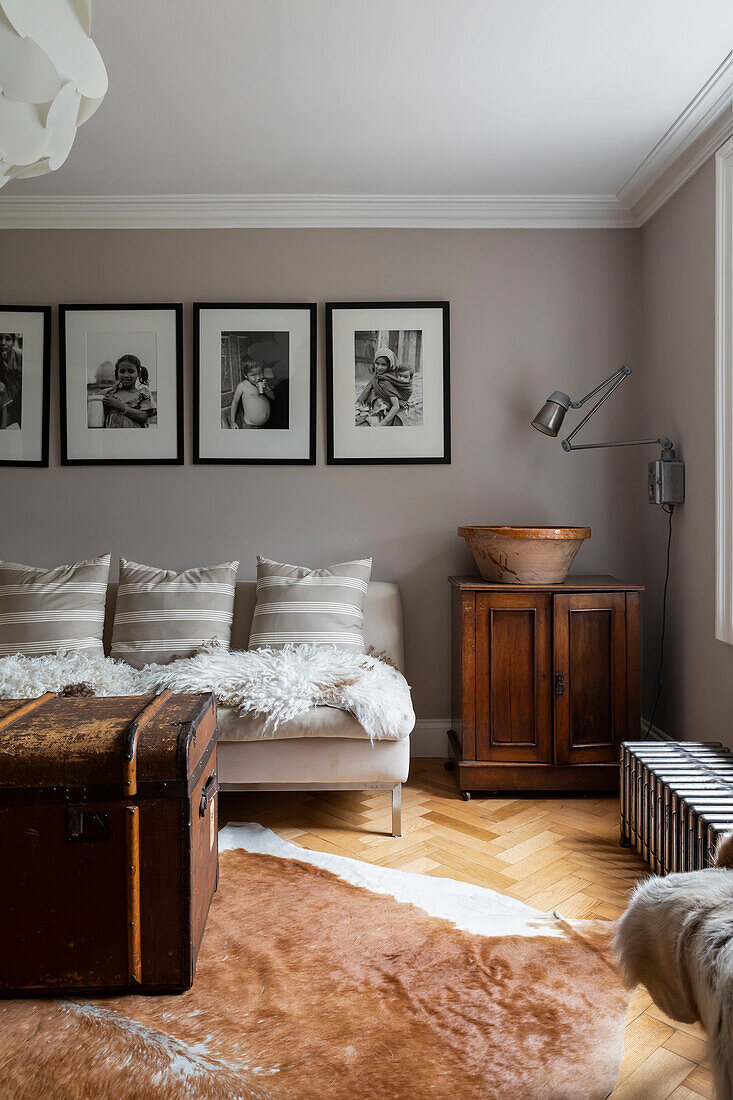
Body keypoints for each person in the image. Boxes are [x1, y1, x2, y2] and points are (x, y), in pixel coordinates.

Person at [90, 354, 156, 428]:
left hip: (134, 437)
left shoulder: (142, 393)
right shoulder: (110, 393)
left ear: (138, 374)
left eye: (131, 371)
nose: (126, 375)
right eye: (122, 371)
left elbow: (143, 417)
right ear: (117, 373)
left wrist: (118, 405)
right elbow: (92, 401)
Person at [355, 346, 414, 426]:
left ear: (390, 365)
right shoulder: (378, 376)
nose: (379, 368)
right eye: (377, 363)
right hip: (376, 410)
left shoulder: (386, 382)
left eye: (383, 364)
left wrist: (384, 422)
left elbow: (395, 406)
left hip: (385, 415)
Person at [229, 358, 274, 428]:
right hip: (250, 426)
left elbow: (272, 397)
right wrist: (232, 421)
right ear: (245, 375)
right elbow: (235, 403)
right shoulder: (242, 386)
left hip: (266, 425)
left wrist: (266, 389)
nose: (258, 377)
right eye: (253, 375)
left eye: (260, 373)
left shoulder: (263, 384)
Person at [0, 332, 22, 428]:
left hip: (19, 399)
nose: (3, 343)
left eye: (8, 339)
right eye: (0, 339)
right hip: (4, 401)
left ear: (13, 342)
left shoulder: (20, 356)